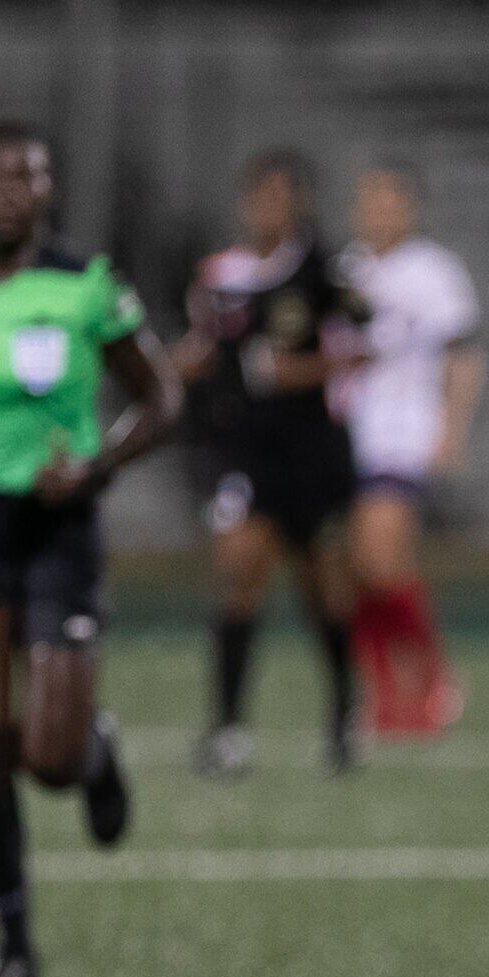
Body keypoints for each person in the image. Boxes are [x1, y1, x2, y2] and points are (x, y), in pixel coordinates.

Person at [0, 120, 183, 977]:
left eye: (26, 175)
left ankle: (93, 751)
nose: (9, 190)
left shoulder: (87, 285)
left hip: (62, 526)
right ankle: (16, 943)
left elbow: (162, 395)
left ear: (49, 188)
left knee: (46, 758)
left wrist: (98, 466)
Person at [174, 150, 370, 777]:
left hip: (311, 451)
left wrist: (299, 371)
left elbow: (366, 346)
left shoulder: (324, 272)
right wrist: (184, 366)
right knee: (236, 576)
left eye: (281, 198)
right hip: (244, 450)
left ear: (300, 204)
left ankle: (343, 714)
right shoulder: (218, 273)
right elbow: (204, 346)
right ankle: (228, 730)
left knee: (323, 593)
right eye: (259, 197)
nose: (268, 209)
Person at [334, 163, 483, 736]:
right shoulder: (345, 270)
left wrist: (451, 429)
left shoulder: (432, 269)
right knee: (355, 573)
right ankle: (382, 698)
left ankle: (435, 678)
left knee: (379, 560)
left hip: (402, 433)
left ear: (409, 205)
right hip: (346, 434)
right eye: (366, 198)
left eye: (385, 198)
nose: (373, 209)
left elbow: (464, 354)